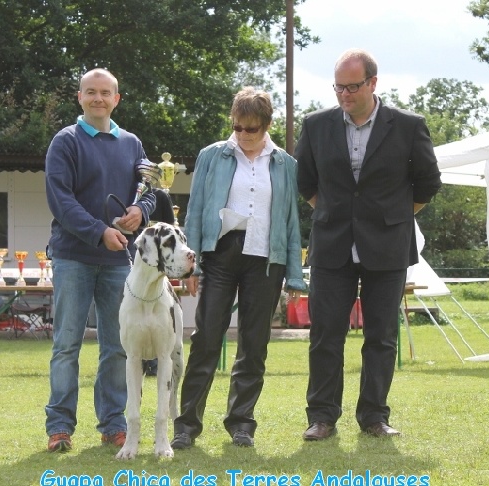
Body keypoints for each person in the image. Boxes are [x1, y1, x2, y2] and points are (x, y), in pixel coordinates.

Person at [295, 49, 442, 441]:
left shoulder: (409, 126)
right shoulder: (315, 125)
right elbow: (306, 182)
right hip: (332, 245)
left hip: (388, 246)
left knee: (381, 336)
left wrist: (392, 216)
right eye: (339, 87)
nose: (344, 94)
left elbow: (428, 183)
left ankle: (374, 417)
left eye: (352, 86)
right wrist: (336, 213)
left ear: (373, 83)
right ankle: (322, 418)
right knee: (326, 334)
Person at [171, 87, 307, 449]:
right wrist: (192, 265)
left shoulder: (285, 163)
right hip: (220, 254)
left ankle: (241, 423)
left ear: (267, 125)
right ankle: (186, 426)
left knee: (254, 343)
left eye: (253, 129)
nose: (244, 136)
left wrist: (294, 273)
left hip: (265, 258)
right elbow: (196, 210)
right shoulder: (212, 156)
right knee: (206, 339)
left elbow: (291, 220)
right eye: (238, 128)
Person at [43, 68, 156, 453]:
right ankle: (59, 427)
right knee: (66, 345)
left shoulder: (132, 143)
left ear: (116, 99)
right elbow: (61, 200)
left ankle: (113, 424)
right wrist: (98, 232)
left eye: (105, 93)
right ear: (79, 97)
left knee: (118, 347)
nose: (98, 99)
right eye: (90, 92)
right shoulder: (66, 142)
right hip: (74, 256)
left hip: (117, 261)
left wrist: (141, 209)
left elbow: (151, 190)